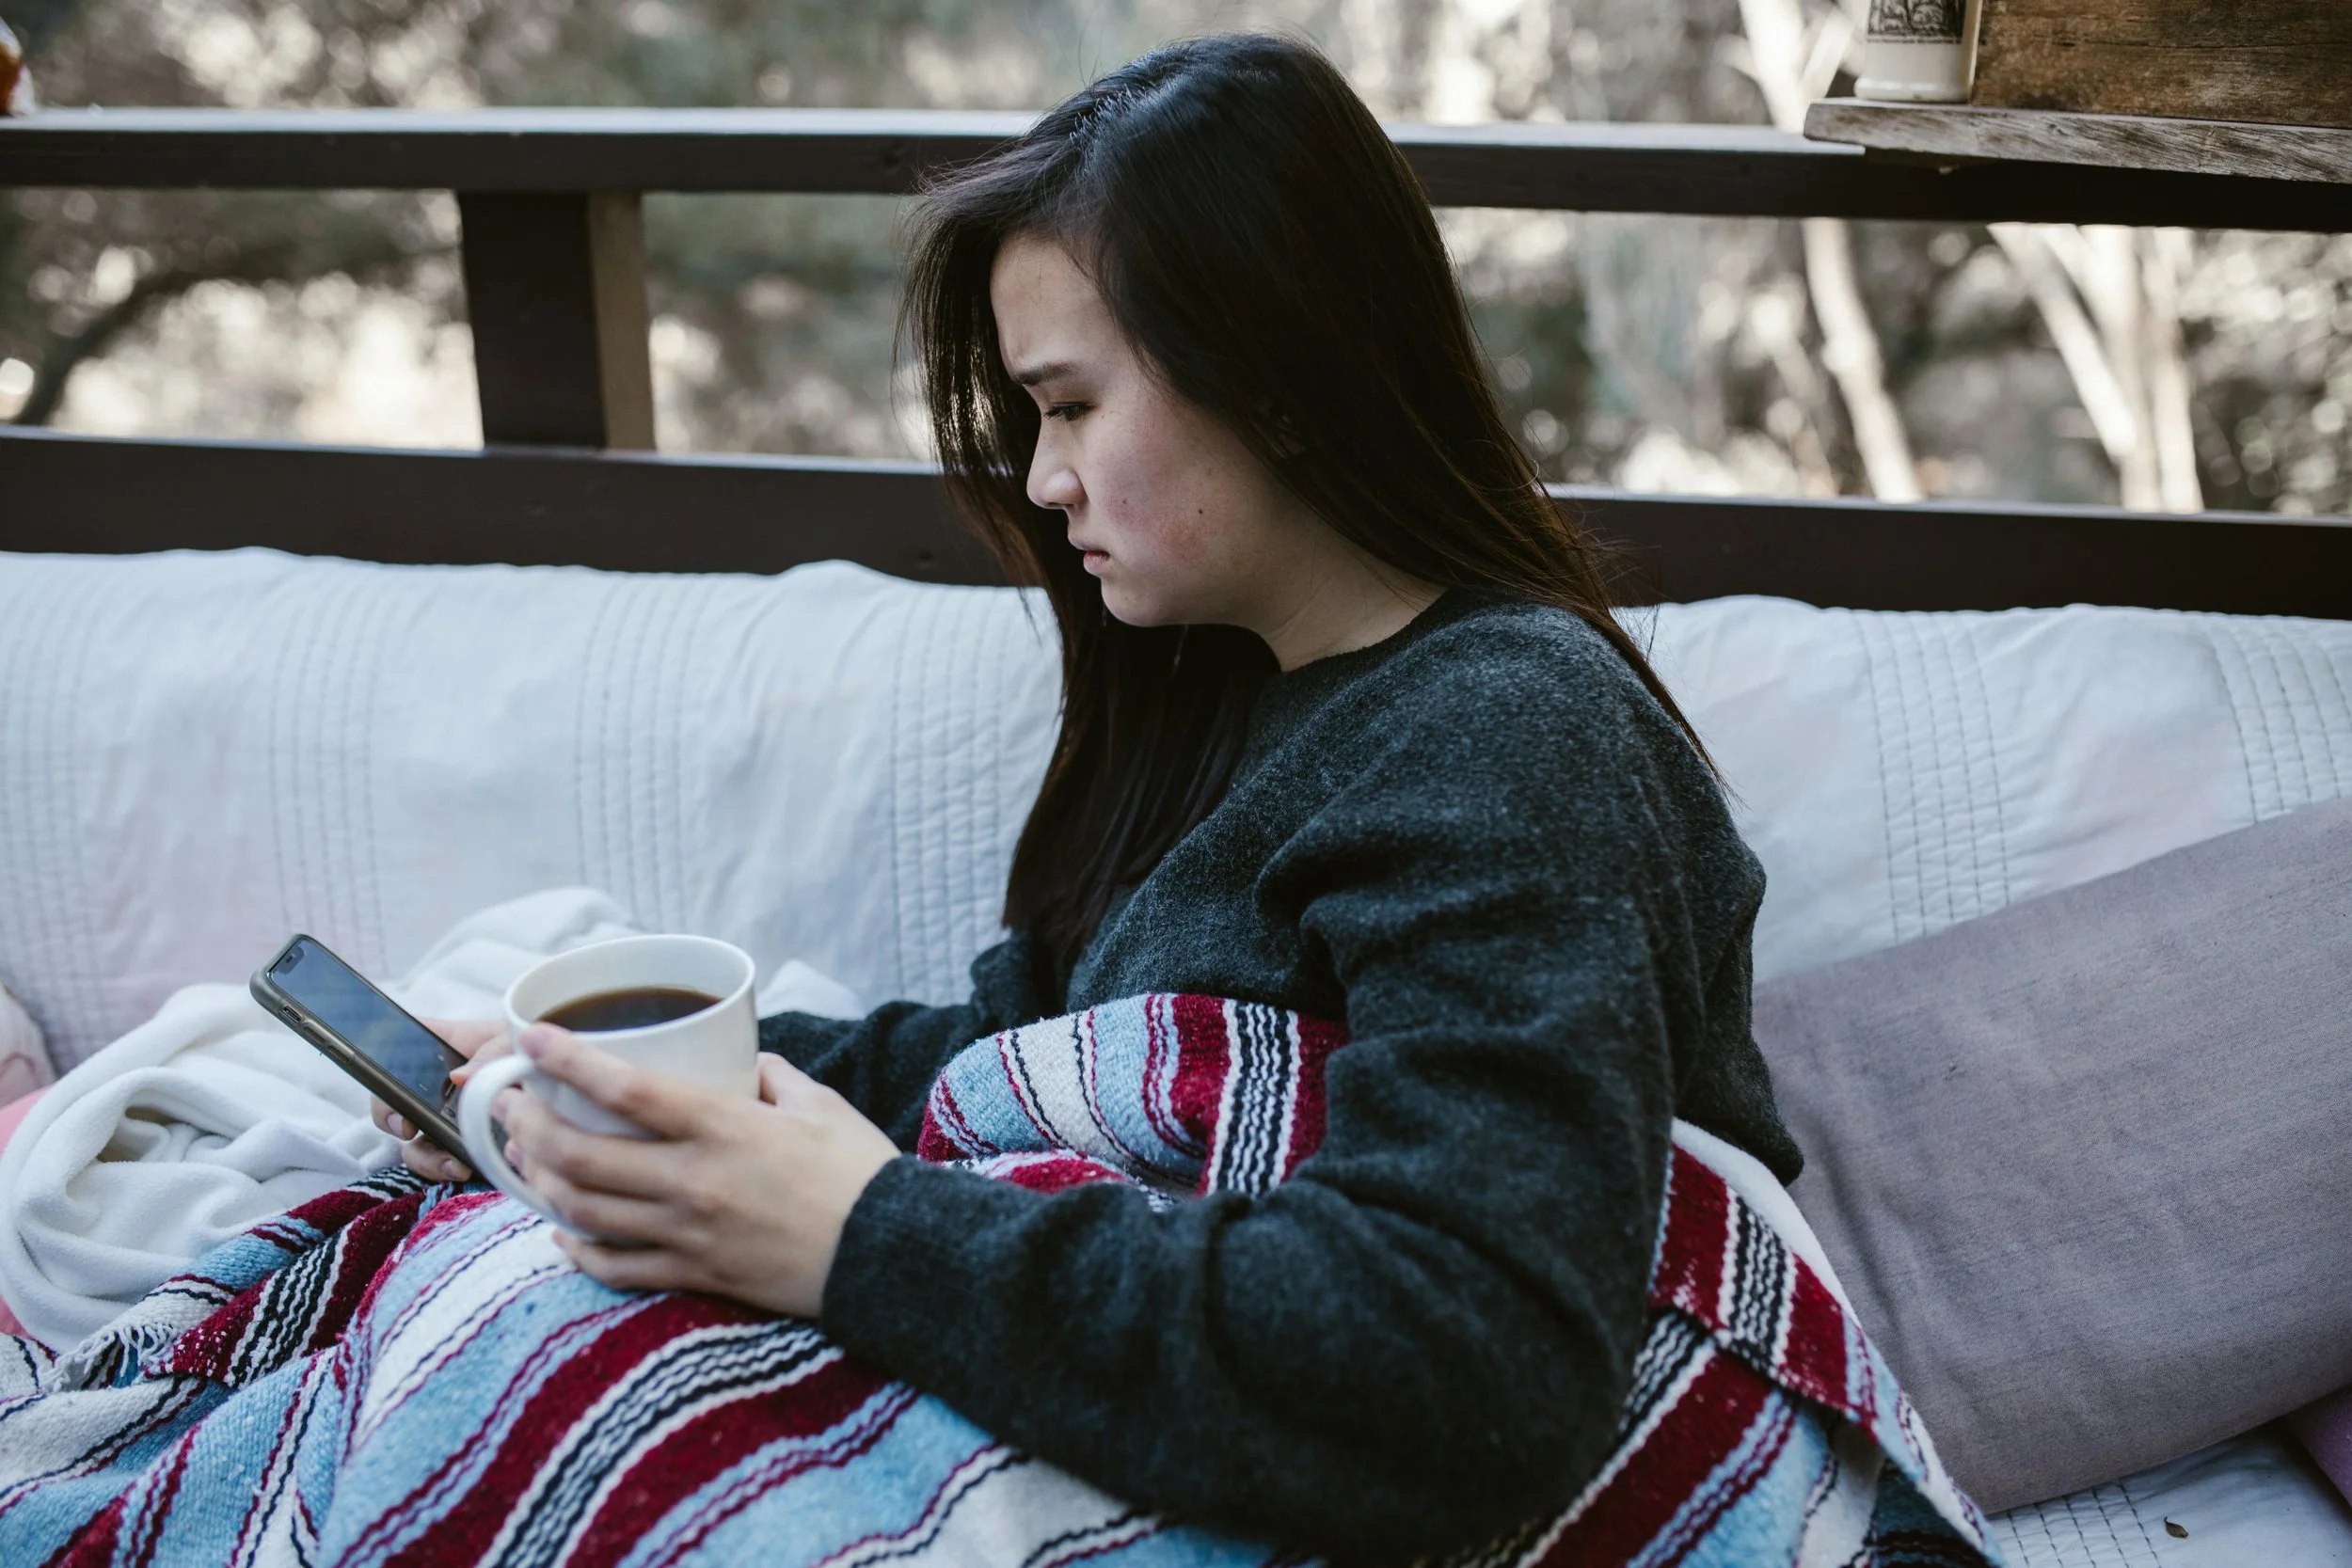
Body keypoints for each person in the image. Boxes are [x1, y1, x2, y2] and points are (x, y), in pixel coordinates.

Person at [374, 33, 1803, 1562]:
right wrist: (651, 1082)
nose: (1042, 481)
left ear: (1280, 380)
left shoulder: (1514, 736)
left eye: (1068, 405)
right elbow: (1020, 1049)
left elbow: (1467, 1361)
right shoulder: (1218, 694)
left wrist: (853, 1235)